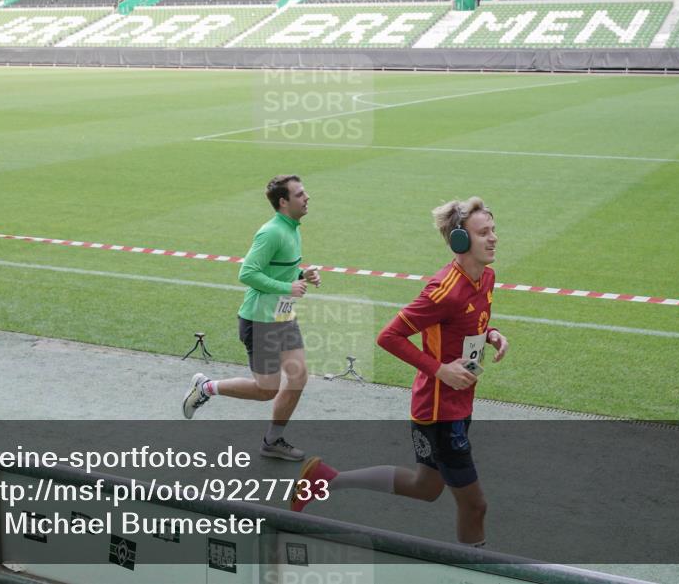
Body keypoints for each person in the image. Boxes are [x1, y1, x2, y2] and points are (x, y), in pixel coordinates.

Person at [290, 197, 508, 548]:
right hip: (439, 413)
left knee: (425, 486)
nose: (494, 238)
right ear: (460, 241)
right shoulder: (443, 291)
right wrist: (439, 370)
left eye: (494, 230)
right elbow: (388, 336)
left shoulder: (486, 277)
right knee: (475, 506)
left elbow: (468, 322)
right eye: (484, 232)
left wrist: (491, 334)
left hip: (456, 403)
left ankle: (327, 478)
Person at [182, 175, 321, 462]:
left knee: (298, 376)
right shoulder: (271, 232)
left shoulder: (292, 229)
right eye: (300, 194)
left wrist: (300, 275)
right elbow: (247, 273)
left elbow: (278, 271)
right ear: (283, 202)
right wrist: (288, 287)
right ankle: (206, 387)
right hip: (260, 321)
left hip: (283, 317)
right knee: (266, 390)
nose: (307, 197)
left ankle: (272, 441)